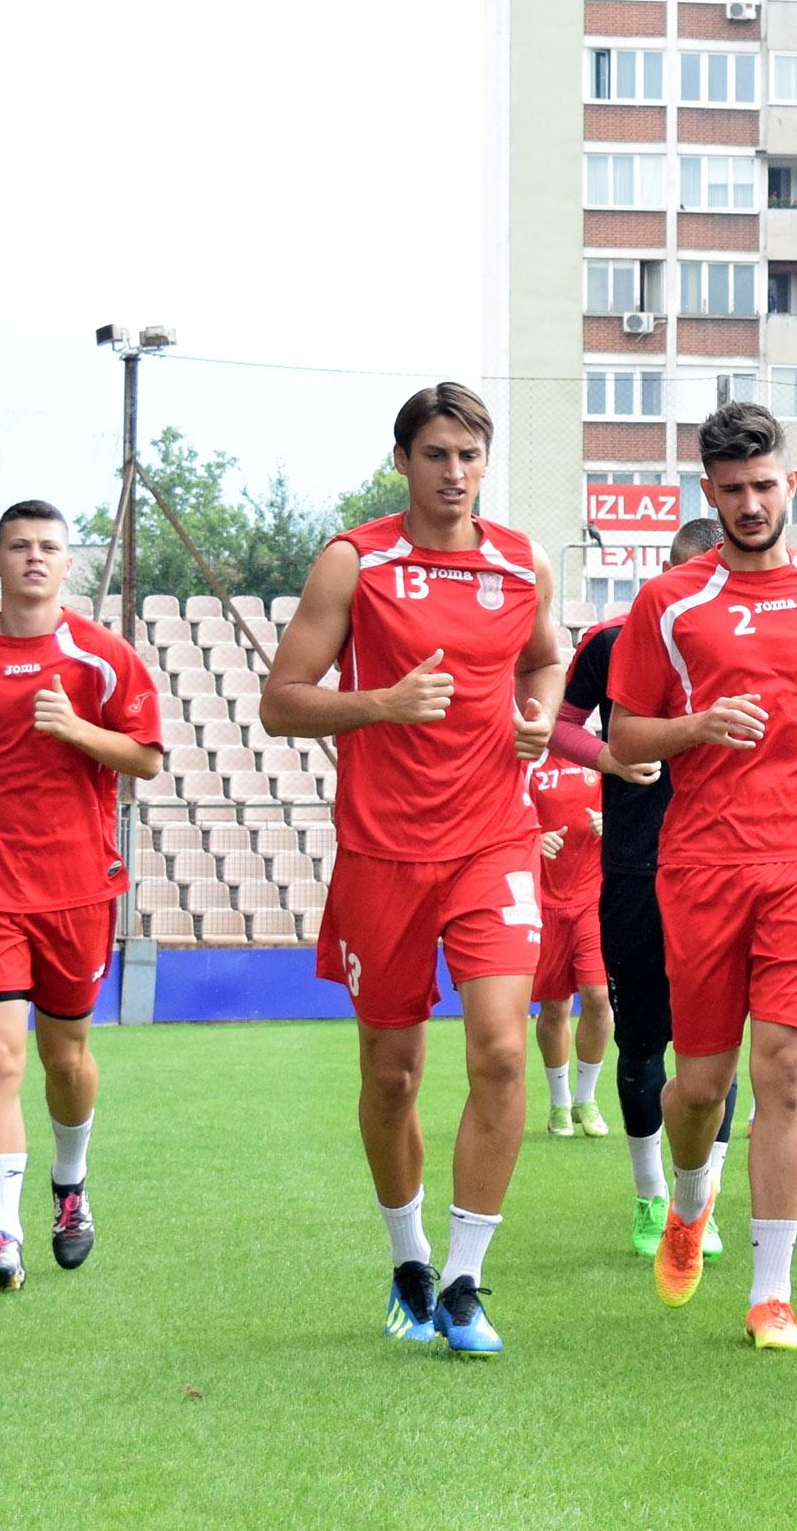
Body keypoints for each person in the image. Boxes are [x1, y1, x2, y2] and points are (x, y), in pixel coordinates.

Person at [262, 383, 566, 1354]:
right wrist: (382, 704)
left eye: (470, 454)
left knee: (504, 1049)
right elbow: (282, 701)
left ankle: (469, 1281)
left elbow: (547, 660)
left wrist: (536, 718)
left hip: (494, 841)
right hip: (383, 853)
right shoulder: (357, 560)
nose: (454, 471)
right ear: (404, 460)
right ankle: (410, 1257)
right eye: (436, 453)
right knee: (392, 1074)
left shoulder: (524, 563)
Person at [605, 403, 797, 1352]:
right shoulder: (669, 603)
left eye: (765, 485)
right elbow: (626, 734)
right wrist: (697, 727)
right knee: (698, 1086)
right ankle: (687, 1205)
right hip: (704, 863)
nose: (751, 503)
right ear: (708, 491)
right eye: (732, 490)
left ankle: (772, 1293)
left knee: (788, 1067)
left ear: (789, 483)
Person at [0, 502, 164, 1292]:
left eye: (48, 547)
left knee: (66, 1058)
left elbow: (147, 759)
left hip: (78, 888)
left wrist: (78, 732)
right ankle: (1, 1238)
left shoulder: (101, 658)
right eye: (18, 545)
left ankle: (71, 1184)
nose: (33, 557)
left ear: (67, 563)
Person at [551, 516, 731, 1257]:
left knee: (713, 1049)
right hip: (635, 867)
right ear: (665, 574)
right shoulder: (614, 640)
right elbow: (558, 725)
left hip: (723, 866)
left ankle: (703, 1206)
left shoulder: (748, 638)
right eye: (687, 576)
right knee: (643, 1042)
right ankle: (653, 1199)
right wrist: (610, 760)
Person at [525, 754, 611, 1137]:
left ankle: (586, 1099)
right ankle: (559, 1103)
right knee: (555, 1006)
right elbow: (503, 815)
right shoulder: (529, 758)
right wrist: (532, 839)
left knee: (598, 997)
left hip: (591, 898)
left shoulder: (594, 753)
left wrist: (613, 825)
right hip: (543, 900)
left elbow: (628, 809)